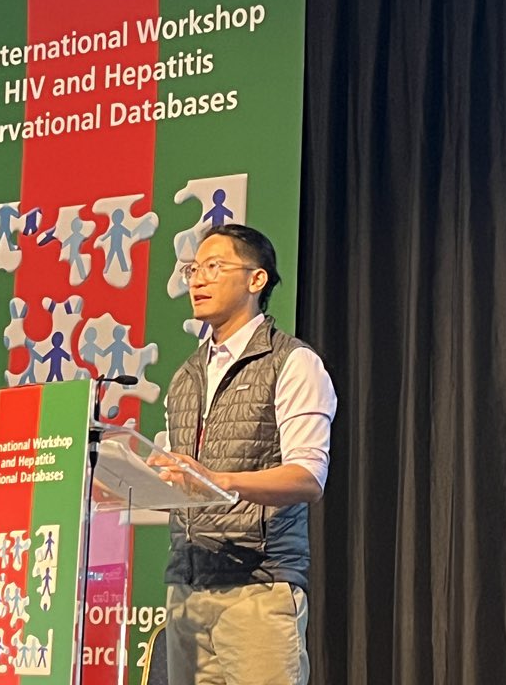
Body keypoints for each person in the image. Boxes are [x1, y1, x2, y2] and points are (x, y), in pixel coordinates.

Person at [151, 224, 336, 685]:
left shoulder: (292, 362)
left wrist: (222, 481)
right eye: (193, 269)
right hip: (188, 592)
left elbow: (308, 477)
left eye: (214, 267)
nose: (197, 280)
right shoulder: (185, 375)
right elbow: (185, 485)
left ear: (256, 280)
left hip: (258, 588)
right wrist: (135, 482)